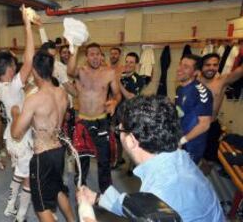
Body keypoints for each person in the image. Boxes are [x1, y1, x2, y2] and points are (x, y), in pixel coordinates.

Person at [77, 95, 224, 222]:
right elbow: (140, 205)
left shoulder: (159, 192)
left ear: (131, 141)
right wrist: (97, 198)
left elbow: (153, 203)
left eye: (119, 130)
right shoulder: (179, 158)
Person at [11, 50, 75, 222]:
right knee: (58, 189)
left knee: (41, 206)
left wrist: (15, 114)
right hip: (58, 151)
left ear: (35, 71)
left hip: (43, 155)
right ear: (51, 69)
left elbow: (16, 134)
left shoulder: (34, 99)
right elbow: (49, 119)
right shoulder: (62, 93)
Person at [0, 5, 36, 222]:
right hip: (20, 138)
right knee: (27, 178)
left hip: (10, 138)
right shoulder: (10, 86)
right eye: (14, 66)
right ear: (10, 69)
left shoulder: (0, 87)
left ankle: (10, 207)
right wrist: (27, 24)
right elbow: (29, 60)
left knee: (19, 174)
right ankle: (20, 216)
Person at [67, 43, 121, 193]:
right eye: (92, 54)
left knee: (104, 161)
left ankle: (106, 194)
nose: (95, 57)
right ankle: (81, 191)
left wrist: (115, 102)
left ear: (101, 55)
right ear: (86, 56)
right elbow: (70, 70)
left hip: (101, 121)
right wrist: (75, 48)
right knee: (81, 161)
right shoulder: (80, 71)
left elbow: (117, 93)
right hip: (83, 121)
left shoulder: (109, 73)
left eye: (98, 54)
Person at [199, 53, 243, 164]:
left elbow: (240, 71)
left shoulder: (222, 82)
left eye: (215, 65)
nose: (211, 68)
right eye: (207, 65)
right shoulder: (193, 82)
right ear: (201, 66)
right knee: (190, 157)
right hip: (194, 126)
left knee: (209, 161)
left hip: (211, 127)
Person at [176, 54, 213, 164]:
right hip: (180, 140)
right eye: (180, 64)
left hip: (192, 145)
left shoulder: (201, 92)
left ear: (196, 72)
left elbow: (204, 124)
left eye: (186, 67)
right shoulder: (180, 89)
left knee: (187, 177)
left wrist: (182, 140)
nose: (180, 69)